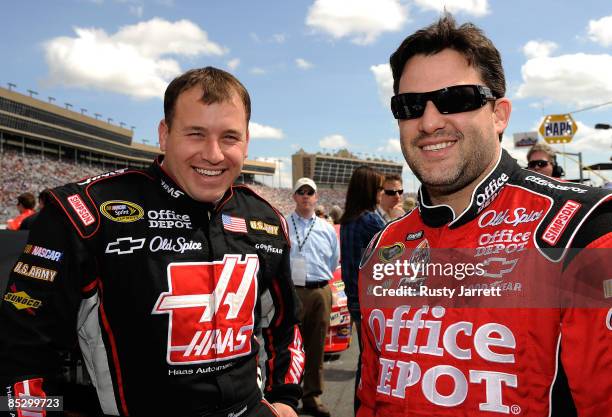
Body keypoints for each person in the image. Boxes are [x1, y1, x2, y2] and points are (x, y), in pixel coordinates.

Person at [0, 67, 304, 417]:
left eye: (230, 138)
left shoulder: (265, 219)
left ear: (247, 142)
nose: (214, 154)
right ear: (164, 134)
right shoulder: (85, 212)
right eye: (195, 134)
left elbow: (285, 325)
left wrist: (284, 399)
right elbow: (20, 355)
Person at [357, 13, 612, 417]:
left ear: (499, 114)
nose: (429, 121)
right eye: (409, 106)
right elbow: (369, 395)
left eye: (456, 99)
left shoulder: (584, 230)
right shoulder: (381, 248)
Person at [286, 178, 340, 417]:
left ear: (316, 197)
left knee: (316, 347)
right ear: (294, 196)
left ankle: (312, 396)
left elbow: (333, 260)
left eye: (310, 192)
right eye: (301, 192)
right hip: (292, 290)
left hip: (319, 290)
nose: (306, 196)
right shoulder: (284, 224)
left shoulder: (327, 228)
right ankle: (287, 395)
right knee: (288, 345)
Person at [339, 166, 385, 415]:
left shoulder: (349, 219)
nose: (382, 193)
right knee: (372, 359)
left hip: (356, 298)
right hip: (372, 300)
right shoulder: (370, 219)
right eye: (378, 188)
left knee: (365, 357)